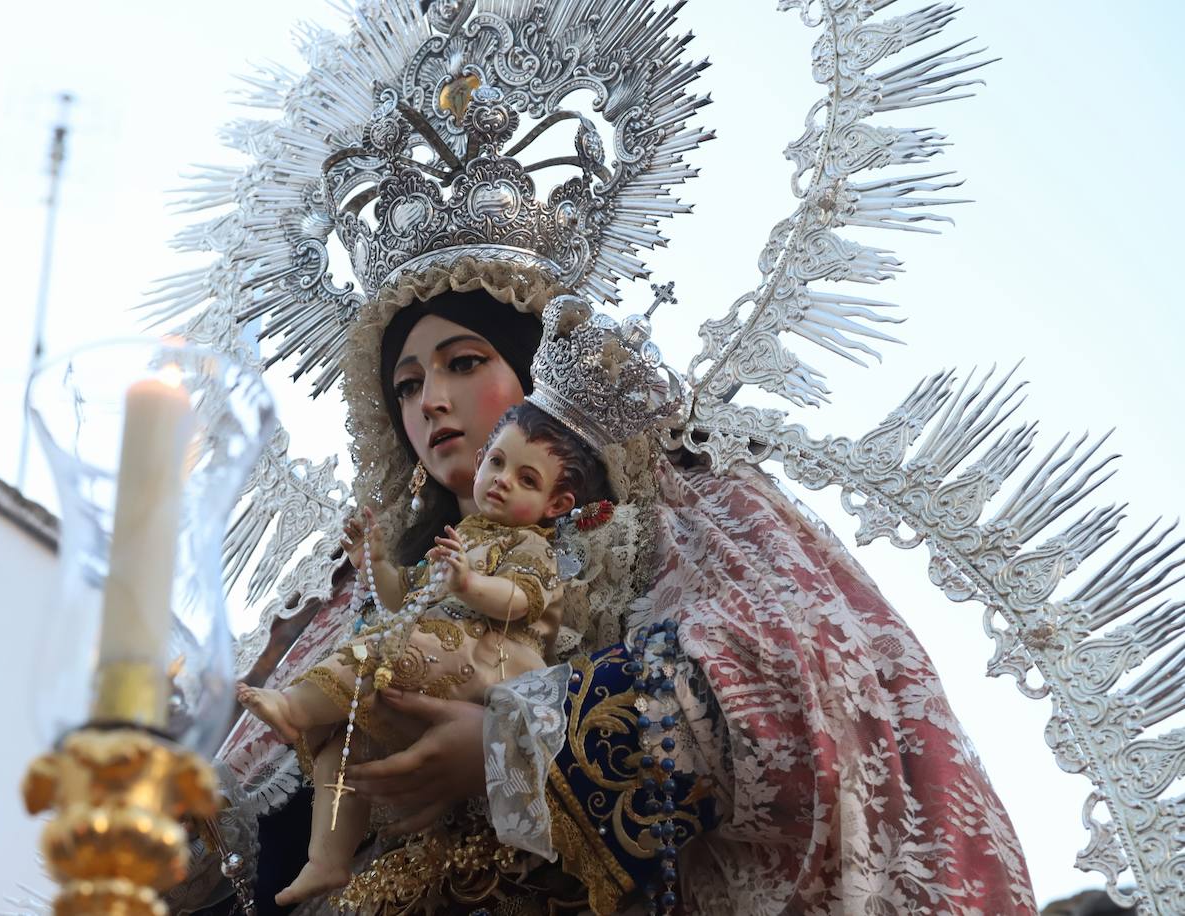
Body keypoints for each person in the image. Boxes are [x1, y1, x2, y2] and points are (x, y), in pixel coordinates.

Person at [186, 271, 1037, 916]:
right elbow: (233, 823)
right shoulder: (351, 598)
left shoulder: (686, 509)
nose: (431, 402)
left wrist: (513, 746)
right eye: (406, 384)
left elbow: (813, 671)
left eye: (464, 362)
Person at [234, 399, 611, 905]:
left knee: (379, 650)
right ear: (480, 462)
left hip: (487, 660)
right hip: (435, 655)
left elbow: (520, 600)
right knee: (345, 747)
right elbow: (401, 598)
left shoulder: (531, 546)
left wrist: (469, 583)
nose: (502, 480)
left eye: (527, 479)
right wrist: (374, 560)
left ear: (556, 505)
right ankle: (327, 859)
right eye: (497, 463)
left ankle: (294, 708)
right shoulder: (462, 537)